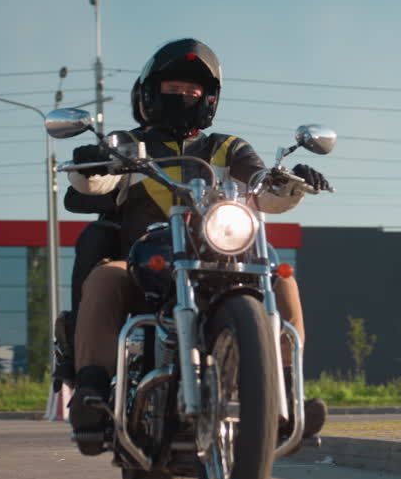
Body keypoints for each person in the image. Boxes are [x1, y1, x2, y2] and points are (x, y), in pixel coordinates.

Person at [63, 38, 330, 456]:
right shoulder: (128, 144)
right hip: (143, 266)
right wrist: (92, 163)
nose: (184, 97)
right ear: (151, 93)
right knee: (102, 277)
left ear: (210, 100)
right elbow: (94, 181)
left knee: (282, 280)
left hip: (221, 263)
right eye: (173, 90)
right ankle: (92, 392)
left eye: (194, 92)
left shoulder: (229, 148)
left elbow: (263, 188)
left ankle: (286, 398)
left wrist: (291, 182)